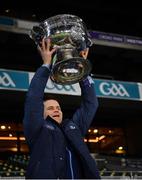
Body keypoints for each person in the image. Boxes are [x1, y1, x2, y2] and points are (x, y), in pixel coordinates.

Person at [23, 38, 100, 179]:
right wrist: (46, 64)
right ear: (41, 113)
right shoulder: (37, 129)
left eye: (58, 107)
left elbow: (91, 104)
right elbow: (33, 98)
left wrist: (82, 72)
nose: (56, 110)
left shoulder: (73, 128)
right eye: (51, 108)